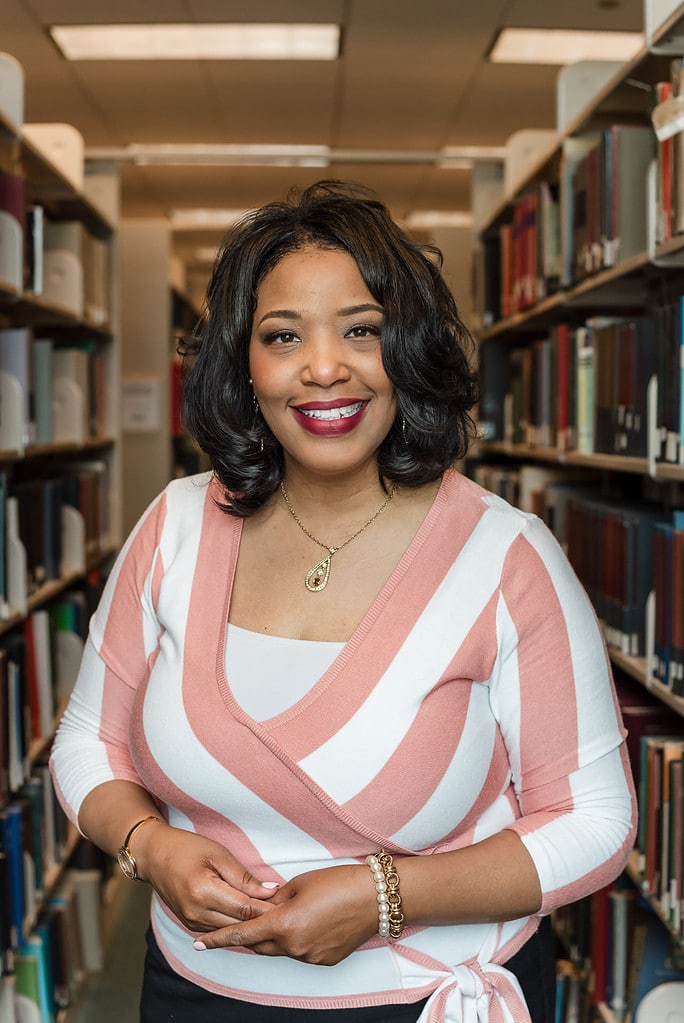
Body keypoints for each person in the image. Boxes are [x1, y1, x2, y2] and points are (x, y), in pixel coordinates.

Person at [50, 180, 636, 1023]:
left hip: (421, 997)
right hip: (193, 990)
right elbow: (88, 743)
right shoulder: (175, 524)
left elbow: (597, 820)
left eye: (362, 330)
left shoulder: (506, 556)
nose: (324, 366)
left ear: (409, 349)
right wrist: (150, 845)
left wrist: (386, 895)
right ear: (243, 366)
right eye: (282, 335)